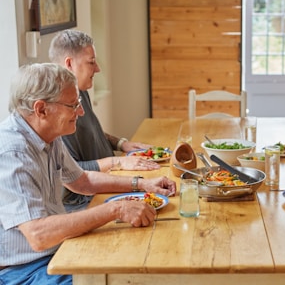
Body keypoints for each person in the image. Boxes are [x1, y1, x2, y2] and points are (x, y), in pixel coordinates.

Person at [0, 63, 176, 284]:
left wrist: (142, 184)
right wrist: (115, 209)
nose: (81, 112)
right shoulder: (11, 153)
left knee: (134, 259)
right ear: (41, 109)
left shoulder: (46, 134)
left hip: (52, 251)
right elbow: (38, 235)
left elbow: (83, 181)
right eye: (73, 105)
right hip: (22, 270)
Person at [49, 29, 160, 211]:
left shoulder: (79, 91)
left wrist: (121, 144)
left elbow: (90, 131)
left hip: (108, 181)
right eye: (91, 62)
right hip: (88, 201)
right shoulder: (59, 108)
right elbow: (74, 172)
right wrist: (119, 162)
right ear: (69, 64)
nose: (98, 69)